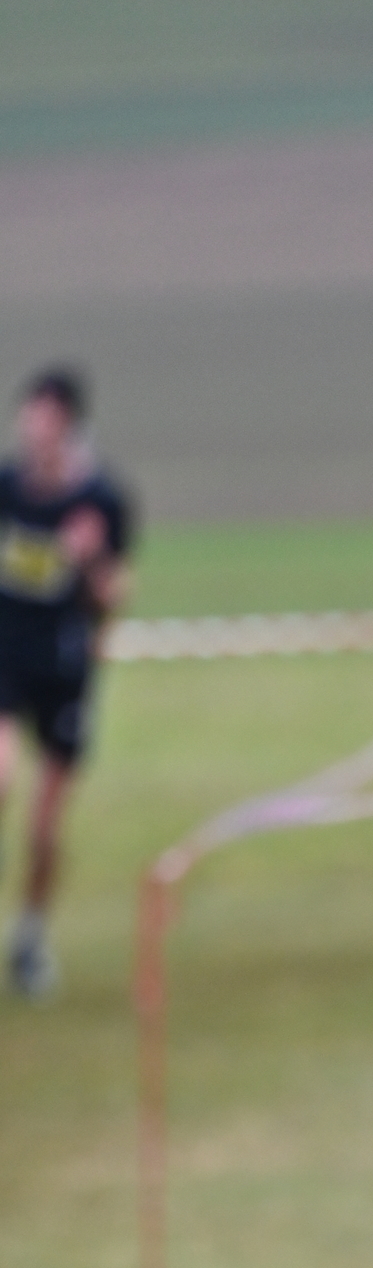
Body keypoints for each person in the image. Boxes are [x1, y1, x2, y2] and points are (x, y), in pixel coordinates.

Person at [0, 367, 136, 1000]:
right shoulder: (6, 489)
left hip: (63, 666)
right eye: (29, 421)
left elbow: (114, 597)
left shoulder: (101, 500)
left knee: (45, 828)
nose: (35, 433)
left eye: (47, 423)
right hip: (6, 657)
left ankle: (30, 936)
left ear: (68, 428)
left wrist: (91, 558)